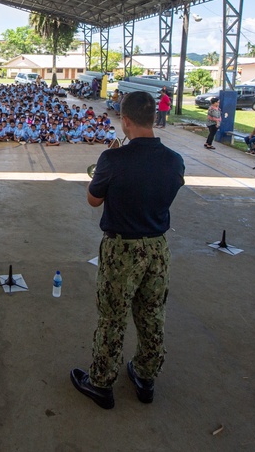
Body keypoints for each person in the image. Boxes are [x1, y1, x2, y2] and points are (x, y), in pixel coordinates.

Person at [71, 91, 185, 409]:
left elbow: (94, 200)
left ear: (126, 120)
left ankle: (101, 384)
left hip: (122, 249)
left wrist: (109, 165)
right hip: (158, 249)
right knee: (152, 315)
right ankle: (145, 379)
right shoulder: (175, 160)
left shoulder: (113, 159)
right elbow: (169, 190)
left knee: (112, 318)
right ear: (153, 119)